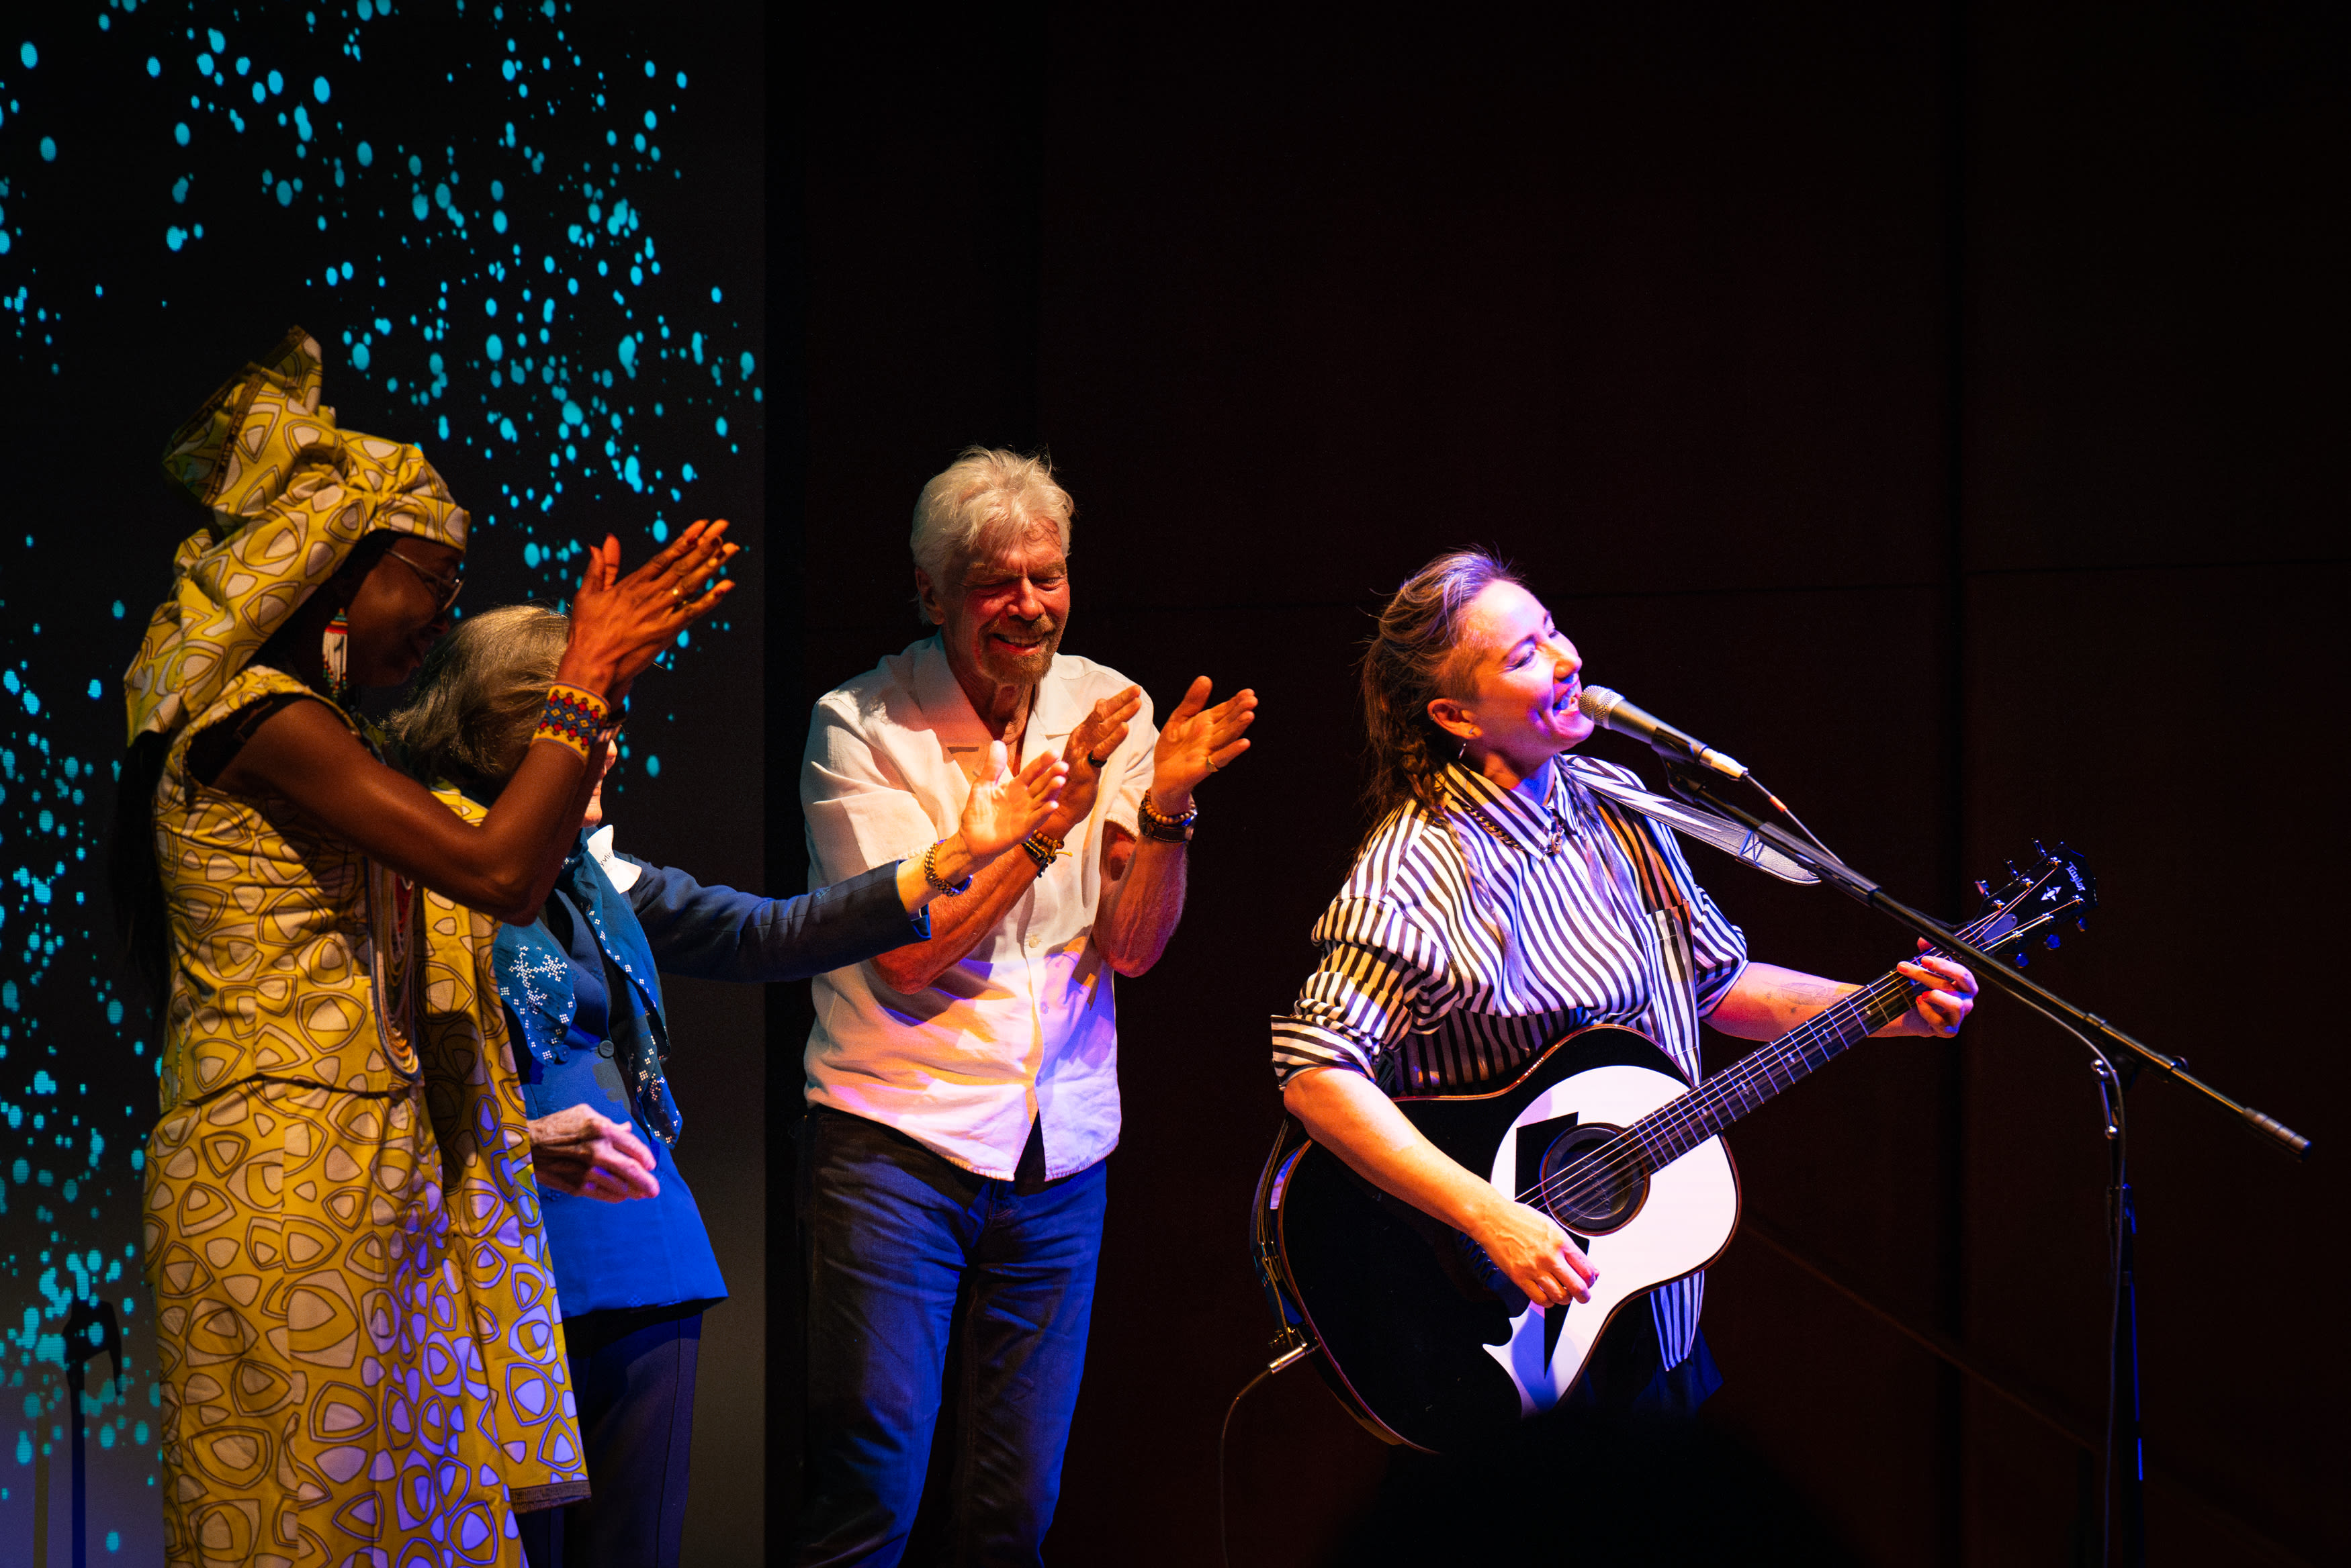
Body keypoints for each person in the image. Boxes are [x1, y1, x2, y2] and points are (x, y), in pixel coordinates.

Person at [112, 329, 735, 1566]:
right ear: (336, 569)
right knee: (310, 1528)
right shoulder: (256, 721)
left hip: (370, 1187)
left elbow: (497, 865)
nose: (439, 617)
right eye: (428, 582)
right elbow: (497, 871)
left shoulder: (322, 732)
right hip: (283, 1191)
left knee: (420, 1530)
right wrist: (583, 683)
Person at [382, 604, 1067, 1568]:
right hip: (496, 1263)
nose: (612, 751)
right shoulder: (420, 865)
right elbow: (380, 1073)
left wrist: (950, 859)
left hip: (643, 1253)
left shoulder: (593, 872)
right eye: (595, 726)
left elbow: (764, 932)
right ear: (523, 737)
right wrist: (524, 1145)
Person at [1271, 549, 1978, 1414]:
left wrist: (1882, 1012)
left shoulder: (1616, 800)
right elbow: (1316, 1073)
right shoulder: (1419, 866)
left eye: (1554, 631)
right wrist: (1489, 1216)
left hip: (1647, 1303)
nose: (1568, 659)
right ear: (1456, 715)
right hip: (1500, 1317)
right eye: (1525, 655)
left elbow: (1715, 983)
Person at [793, 447, 1258, 1564]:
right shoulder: (862, 727)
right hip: (895, 1147)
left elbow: (1134, 949)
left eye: (1046, 576)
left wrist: (1171, 811)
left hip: (1060, 1158)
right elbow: (910, 957)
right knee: (872, 1497)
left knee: (1016, 1514)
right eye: (998, 582)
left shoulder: (1108, 705)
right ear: (933, 593)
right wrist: (1056, 817)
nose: (1029, 605)